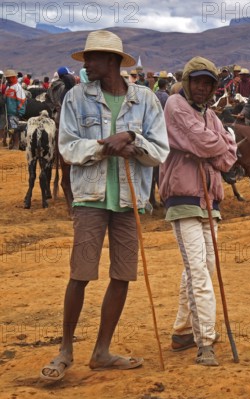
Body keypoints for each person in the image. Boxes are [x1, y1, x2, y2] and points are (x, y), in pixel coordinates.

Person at [39, 30, 169, 382]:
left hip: (130, 200)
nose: (87, 64)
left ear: (111, 62)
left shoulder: (146, 100)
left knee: (122, 275)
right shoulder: (76, 98)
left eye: (92, 58)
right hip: (90, 199)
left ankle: (101, 351)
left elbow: (159, 152)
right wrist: (104, 145)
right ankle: (66, 349)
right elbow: (68, 148)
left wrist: (131, 138)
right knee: (80, 273)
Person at [159, 56, 237, 366]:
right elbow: (212, 147)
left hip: (210, 201)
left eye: (208, 83)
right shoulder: (176, 106)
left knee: (203, 266)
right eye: (198, 81)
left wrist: (212, 145)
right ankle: (206, 341)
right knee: (199, 273)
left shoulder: (211, 116)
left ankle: (181, 332)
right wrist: (216, 144)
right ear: (188, 82)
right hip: (183, 199)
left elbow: (229, 158)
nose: (203, 88)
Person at [3, 69, 27, 149]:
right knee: (11, 129)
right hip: (9, 112)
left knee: (14, 128)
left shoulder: (18, 87)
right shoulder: (8, 87)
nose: (7, 79)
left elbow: (22, 100)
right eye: (7, 78)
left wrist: (20, 112)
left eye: (9, 78)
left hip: (15, 112)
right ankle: (13, 144)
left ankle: (16, 145)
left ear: (14, 77)